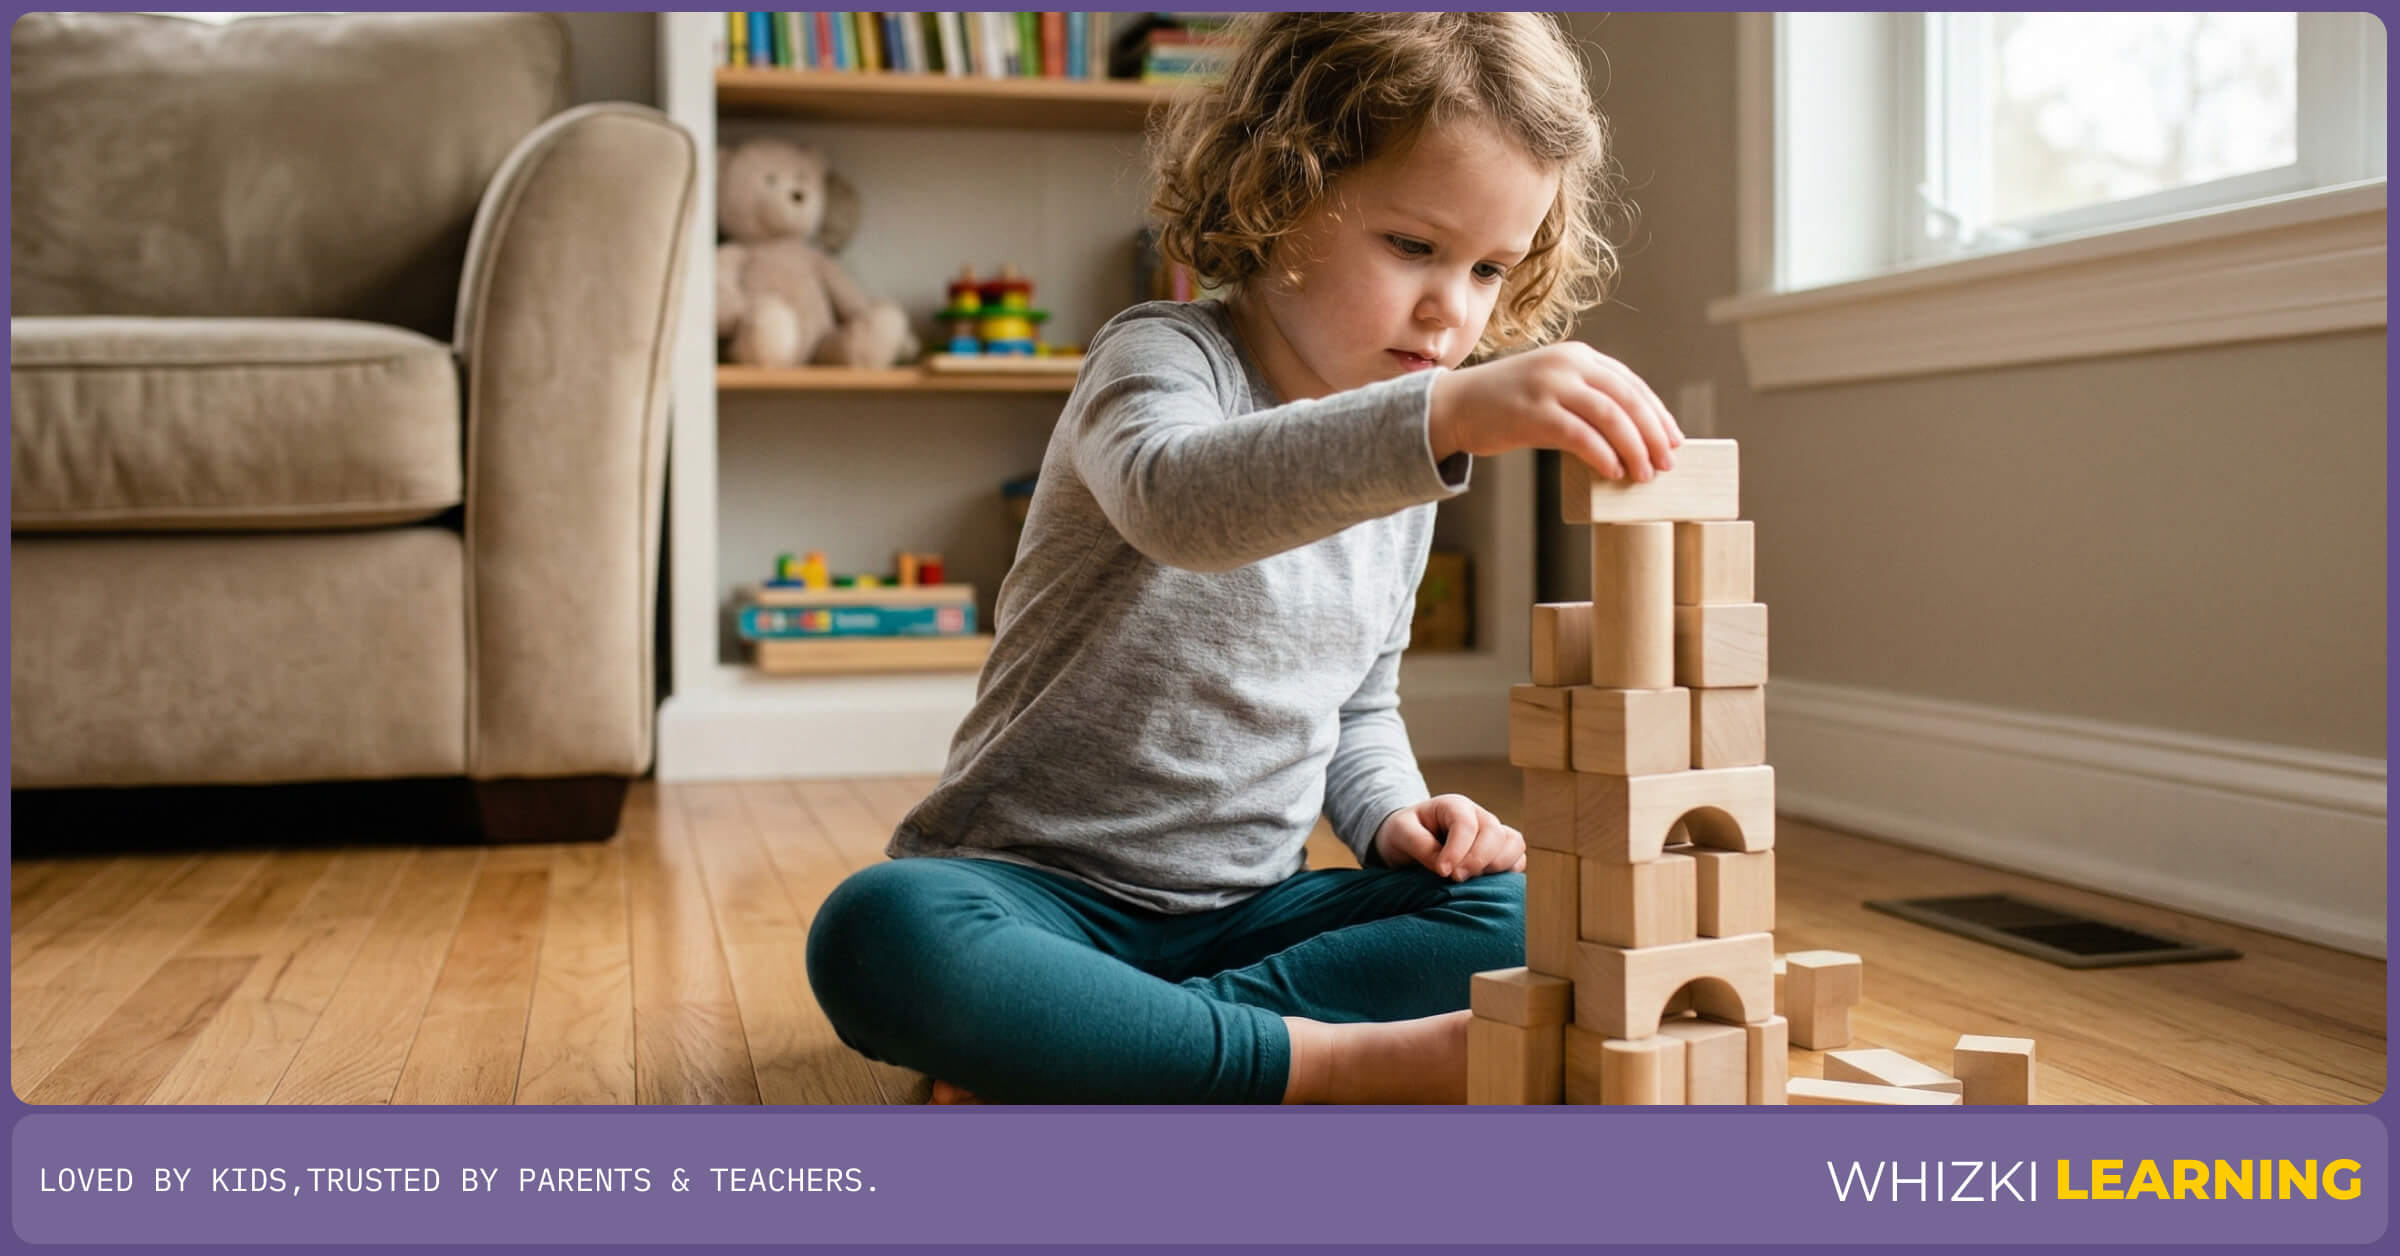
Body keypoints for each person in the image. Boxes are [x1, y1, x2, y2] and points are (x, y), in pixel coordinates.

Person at [807, 11, 1681, 1105]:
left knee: (1530, 906)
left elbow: (1356, 705)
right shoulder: (1160, 357)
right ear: (1280, 190)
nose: (1451, 309)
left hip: (1245, 918)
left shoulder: (1404, 454)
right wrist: (1439, 416)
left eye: (1490, 267)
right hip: (1031, 891)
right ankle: (1320, 1062)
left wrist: (1398, 816)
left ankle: (1112, 1048)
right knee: (876, 931)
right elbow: (1181, 502)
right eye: (1414, 245)